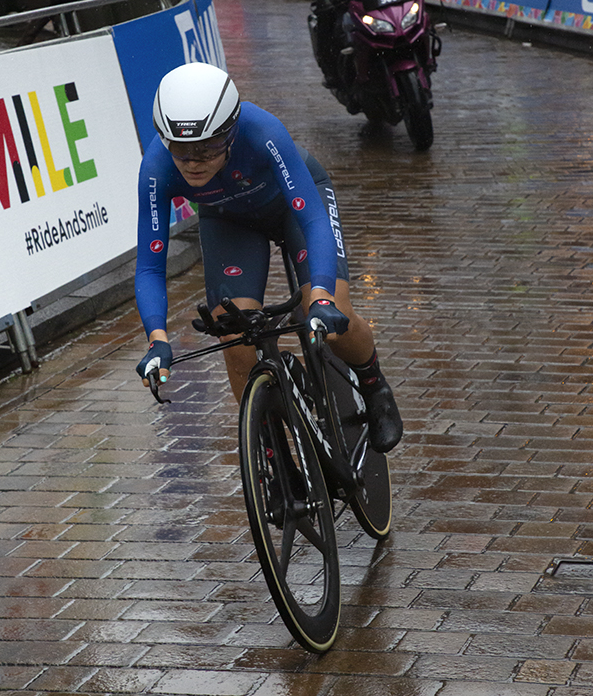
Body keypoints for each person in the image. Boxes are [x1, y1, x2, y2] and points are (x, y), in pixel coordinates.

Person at [134, 62, 402, 453]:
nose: (193, 162)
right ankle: (271, 454)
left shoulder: (263, 131)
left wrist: (323, 298)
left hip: (293, 210)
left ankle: (374, 382)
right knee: (233, 333)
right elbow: (149, 265)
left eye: (207, 147)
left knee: (335, 313)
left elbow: (311, 218)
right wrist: (156, 338)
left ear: (229, 131)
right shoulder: (156, 168)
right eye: (180, 149)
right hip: (230, 222)